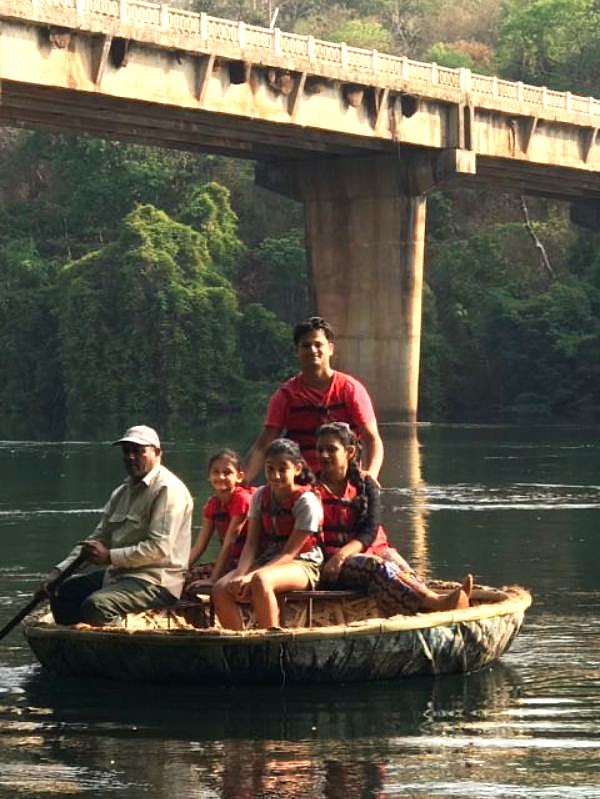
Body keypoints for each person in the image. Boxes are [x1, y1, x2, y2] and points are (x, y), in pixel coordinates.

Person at [315, 422, 472, 614]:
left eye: (331, 449)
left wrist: (342, 555)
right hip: (330, 561)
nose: (323, 455)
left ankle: (430, 602)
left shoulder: (366, 484)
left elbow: (369, 531)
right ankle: (436, 603)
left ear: (349, 452)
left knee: (401, 567)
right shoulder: (311, 490)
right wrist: (337, 558)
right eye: (320, 450)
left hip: (359, 551)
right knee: (377, 566)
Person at [45, 425, 193, 626]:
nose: (131, 457)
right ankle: (79, 648)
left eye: (139, 451)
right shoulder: (122, 492)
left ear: (157, 453)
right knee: (63, 593)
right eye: (126, 451)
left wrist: (109, 556)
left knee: (97, 605)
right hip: (120, 575)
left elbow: (159, 549)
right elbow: (96, 540)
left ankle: (118, 647)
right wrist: (56, 576)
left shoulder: (168, 490)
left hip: (156, 581)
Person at [243, 316, 384, 483]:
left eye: (318, 344)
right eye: (305, 345)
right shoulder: (285, 395)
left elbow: (372, 439)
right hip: (302, 484)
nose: (312, 350)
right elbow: (263, 445)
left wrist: (371, 475)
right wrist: (240, 484)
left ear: (330, 349)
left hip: (345, 481)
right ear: (297, 351)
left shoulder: (350, 390)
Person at [212, 438, 323, 630]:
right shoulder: (259, 496)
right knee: (221, 588)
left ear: (297, 469)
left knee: (261, 580)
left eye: (282, 469)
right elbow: (252, 543)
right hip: (269, 558)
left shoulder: (306, 502)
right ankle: (242, 644)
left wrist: (252, 574)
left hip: (303, 562)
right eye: (270, 469)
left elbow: (289, 553)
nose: (276, 475)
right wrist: (240, 573)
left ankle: (270, 640)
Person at [184, 449, 254, 595]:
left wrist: (213, 579)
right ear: (209, 476)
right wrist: (180, 569)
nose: (221, 477)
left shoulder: (242, 500)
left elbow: (230, 542)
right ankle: (199, 617)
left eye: (227, 472)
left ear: (239, 477)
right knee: (182, 577)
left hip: (248, 563)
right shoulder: (212, 505)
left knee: (199, 583)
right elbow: (199, 546)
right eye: (215, 472)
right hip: (231, 563)